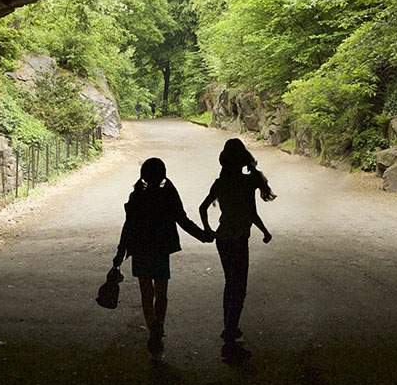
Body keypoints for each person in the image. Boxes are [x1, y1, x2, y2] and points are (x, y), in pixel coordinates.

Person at [112, 157, 213, 356]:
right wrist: (203, 236)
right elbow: (183, 220)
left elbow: (128, 226)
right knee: (161, 292)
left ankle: (152, 327)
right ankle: (160, 324)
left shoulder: (137, 196)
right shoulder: (168, 195)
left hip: (140, 249)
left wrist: (120, 252)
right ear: (162, 175)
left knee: (146, 293)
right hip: (160, 250)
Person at [199, 138, 276, 356]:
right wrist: (264, 231)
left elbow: (202, 207)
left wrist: (208, 230)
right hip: (240, 239)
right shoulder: (248, 182)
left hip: (223, 239)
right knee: (239, 288)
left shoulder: (220, 183)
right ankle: (230, 339)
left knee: (230, 284)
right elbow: (251, 212)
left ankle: (229, 328)